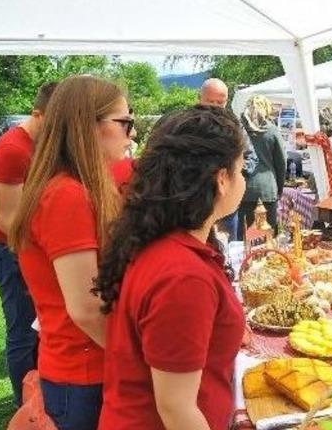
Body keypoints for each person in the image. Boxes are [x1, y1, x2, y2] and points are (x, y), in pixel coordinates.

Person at [95, 108, 247, 429]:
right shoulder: (183, 276)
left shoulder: (167, 243)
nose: (243, 179)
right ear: (221, 179)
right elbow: (177, 410)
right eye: (241, 169)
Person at [9, 75, 134, 430]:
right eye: (125, 122)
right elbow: (86, 308)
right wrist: (138, 360)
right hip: (82, 375)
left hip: (81, 370)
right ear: (87, 125)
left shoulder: (73, 188)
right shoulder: (67, 195)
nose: (132, 133)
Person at [0, 82, 55, 407]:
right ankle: (24, 406)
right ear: (38, 114)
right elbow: (6, 219)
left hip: (28, 249)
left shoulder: (39, 143)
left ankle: (38, 397)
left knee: (39, 331)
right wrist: (49, 250)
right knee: (23, 333)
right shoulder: (12, 149)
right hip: (10, 252)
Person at [200, 78, 258, 241]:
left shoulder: (235, 126)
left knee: (227, 253)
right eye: (210, 102)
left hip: (226, 206)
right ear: (200, 98)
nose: (215, 107)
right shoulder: (186, 125)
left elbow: (252, 158)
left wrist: (231, 173)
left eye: (220, 102)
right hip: (195, 206)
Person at [238, 95, 286, 238]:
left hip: (243, 189)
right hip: (267, 189)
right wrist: (279, 188)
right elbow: (281, 162)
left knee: (245, 237)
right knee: (268, 236)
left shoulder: (239, 129)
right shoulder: (271, 130)